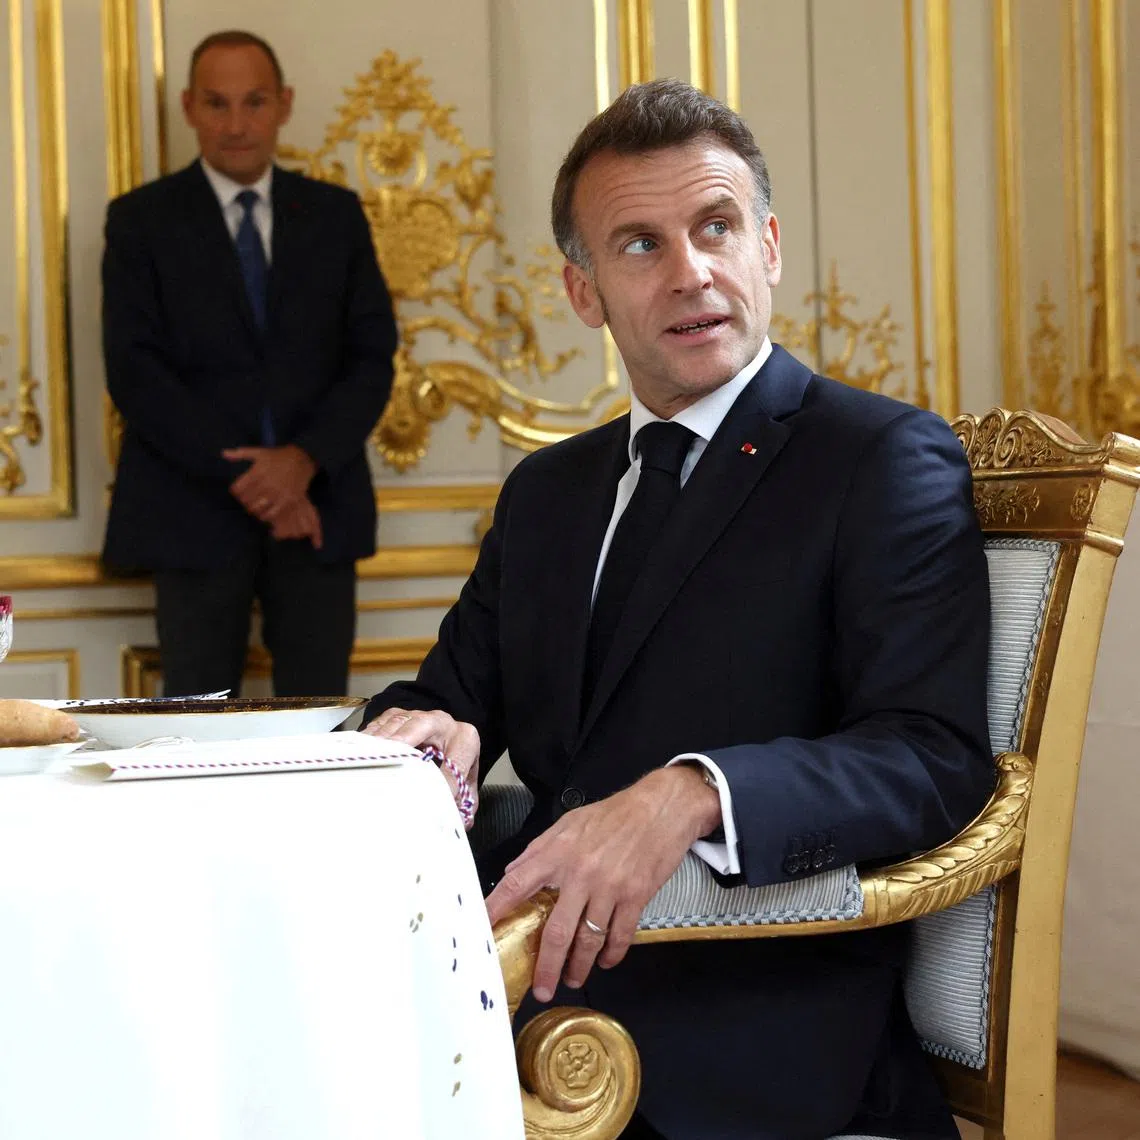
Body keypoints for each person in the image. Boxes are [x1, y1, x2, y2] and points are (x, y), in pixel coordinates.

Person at [363, 80, 992, 1139]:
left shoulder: (876, 458)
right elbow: (446, 696)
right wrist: (427, 732)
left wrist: (694, 792)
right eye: (641, 244)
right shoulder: (547, 492)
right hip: (511, 990)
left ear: (768, 247)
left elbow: (931, 757)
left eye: (716, 226)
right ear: (585, 291)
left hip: (745, 1025)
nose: (692, 270)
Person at [102, 30, 397, 698]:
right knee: (196, 723)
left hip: (318, 507)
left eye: (254, 102)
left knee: (319, 717)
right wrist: (259, 481)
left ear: (283, 104)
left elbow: (372, 356)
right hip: (191, 512)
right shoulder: (140, 221)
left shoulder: (336, 216)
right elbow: (135, 372)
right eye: (217, 103)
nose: (236, 124)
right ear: (188, 107)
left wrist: (303, 461)